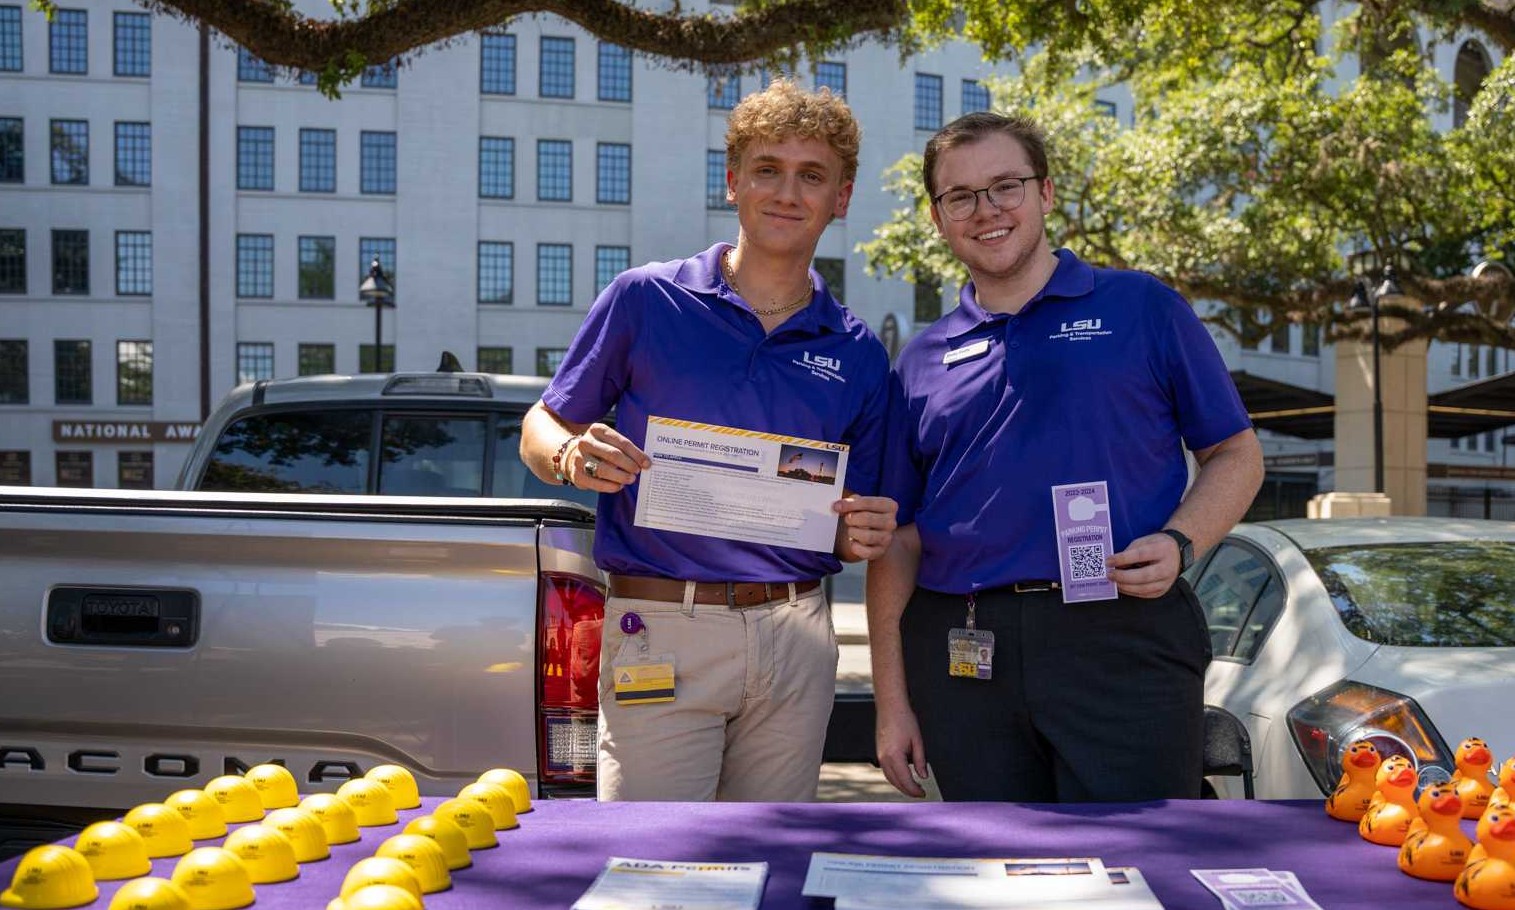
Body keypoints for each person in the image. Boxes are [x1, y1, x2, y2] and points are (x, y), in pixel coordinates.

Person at [868, 112, 1263, 802]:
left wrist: (1180, 541)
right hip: (964, 651)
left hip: (1123, 633)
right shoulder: (921, 361)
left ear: (1046, 194)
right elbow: (898, 540)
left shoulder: (1142, 307)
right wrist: (891, 702)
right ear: (937, 218)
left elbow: (1236, 453)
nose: (986, 210)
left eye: (1005, 187)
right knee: (994, 873)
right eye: (960, 196)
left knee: (1139, 864)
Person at [520, 80, 898, 802]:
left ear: (840, 198)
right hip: (661, 625)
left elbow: (852, 529)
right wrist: (570, 457)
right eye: (767, 169)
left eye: (811, 175)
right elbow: (541, 424)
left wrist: (865, 531)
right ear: (733, 182)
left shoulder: (856, 350)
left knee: (768, 871)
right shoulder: (644, 299)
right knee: (650, 866)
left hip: (796, 634)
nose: (787, 192)